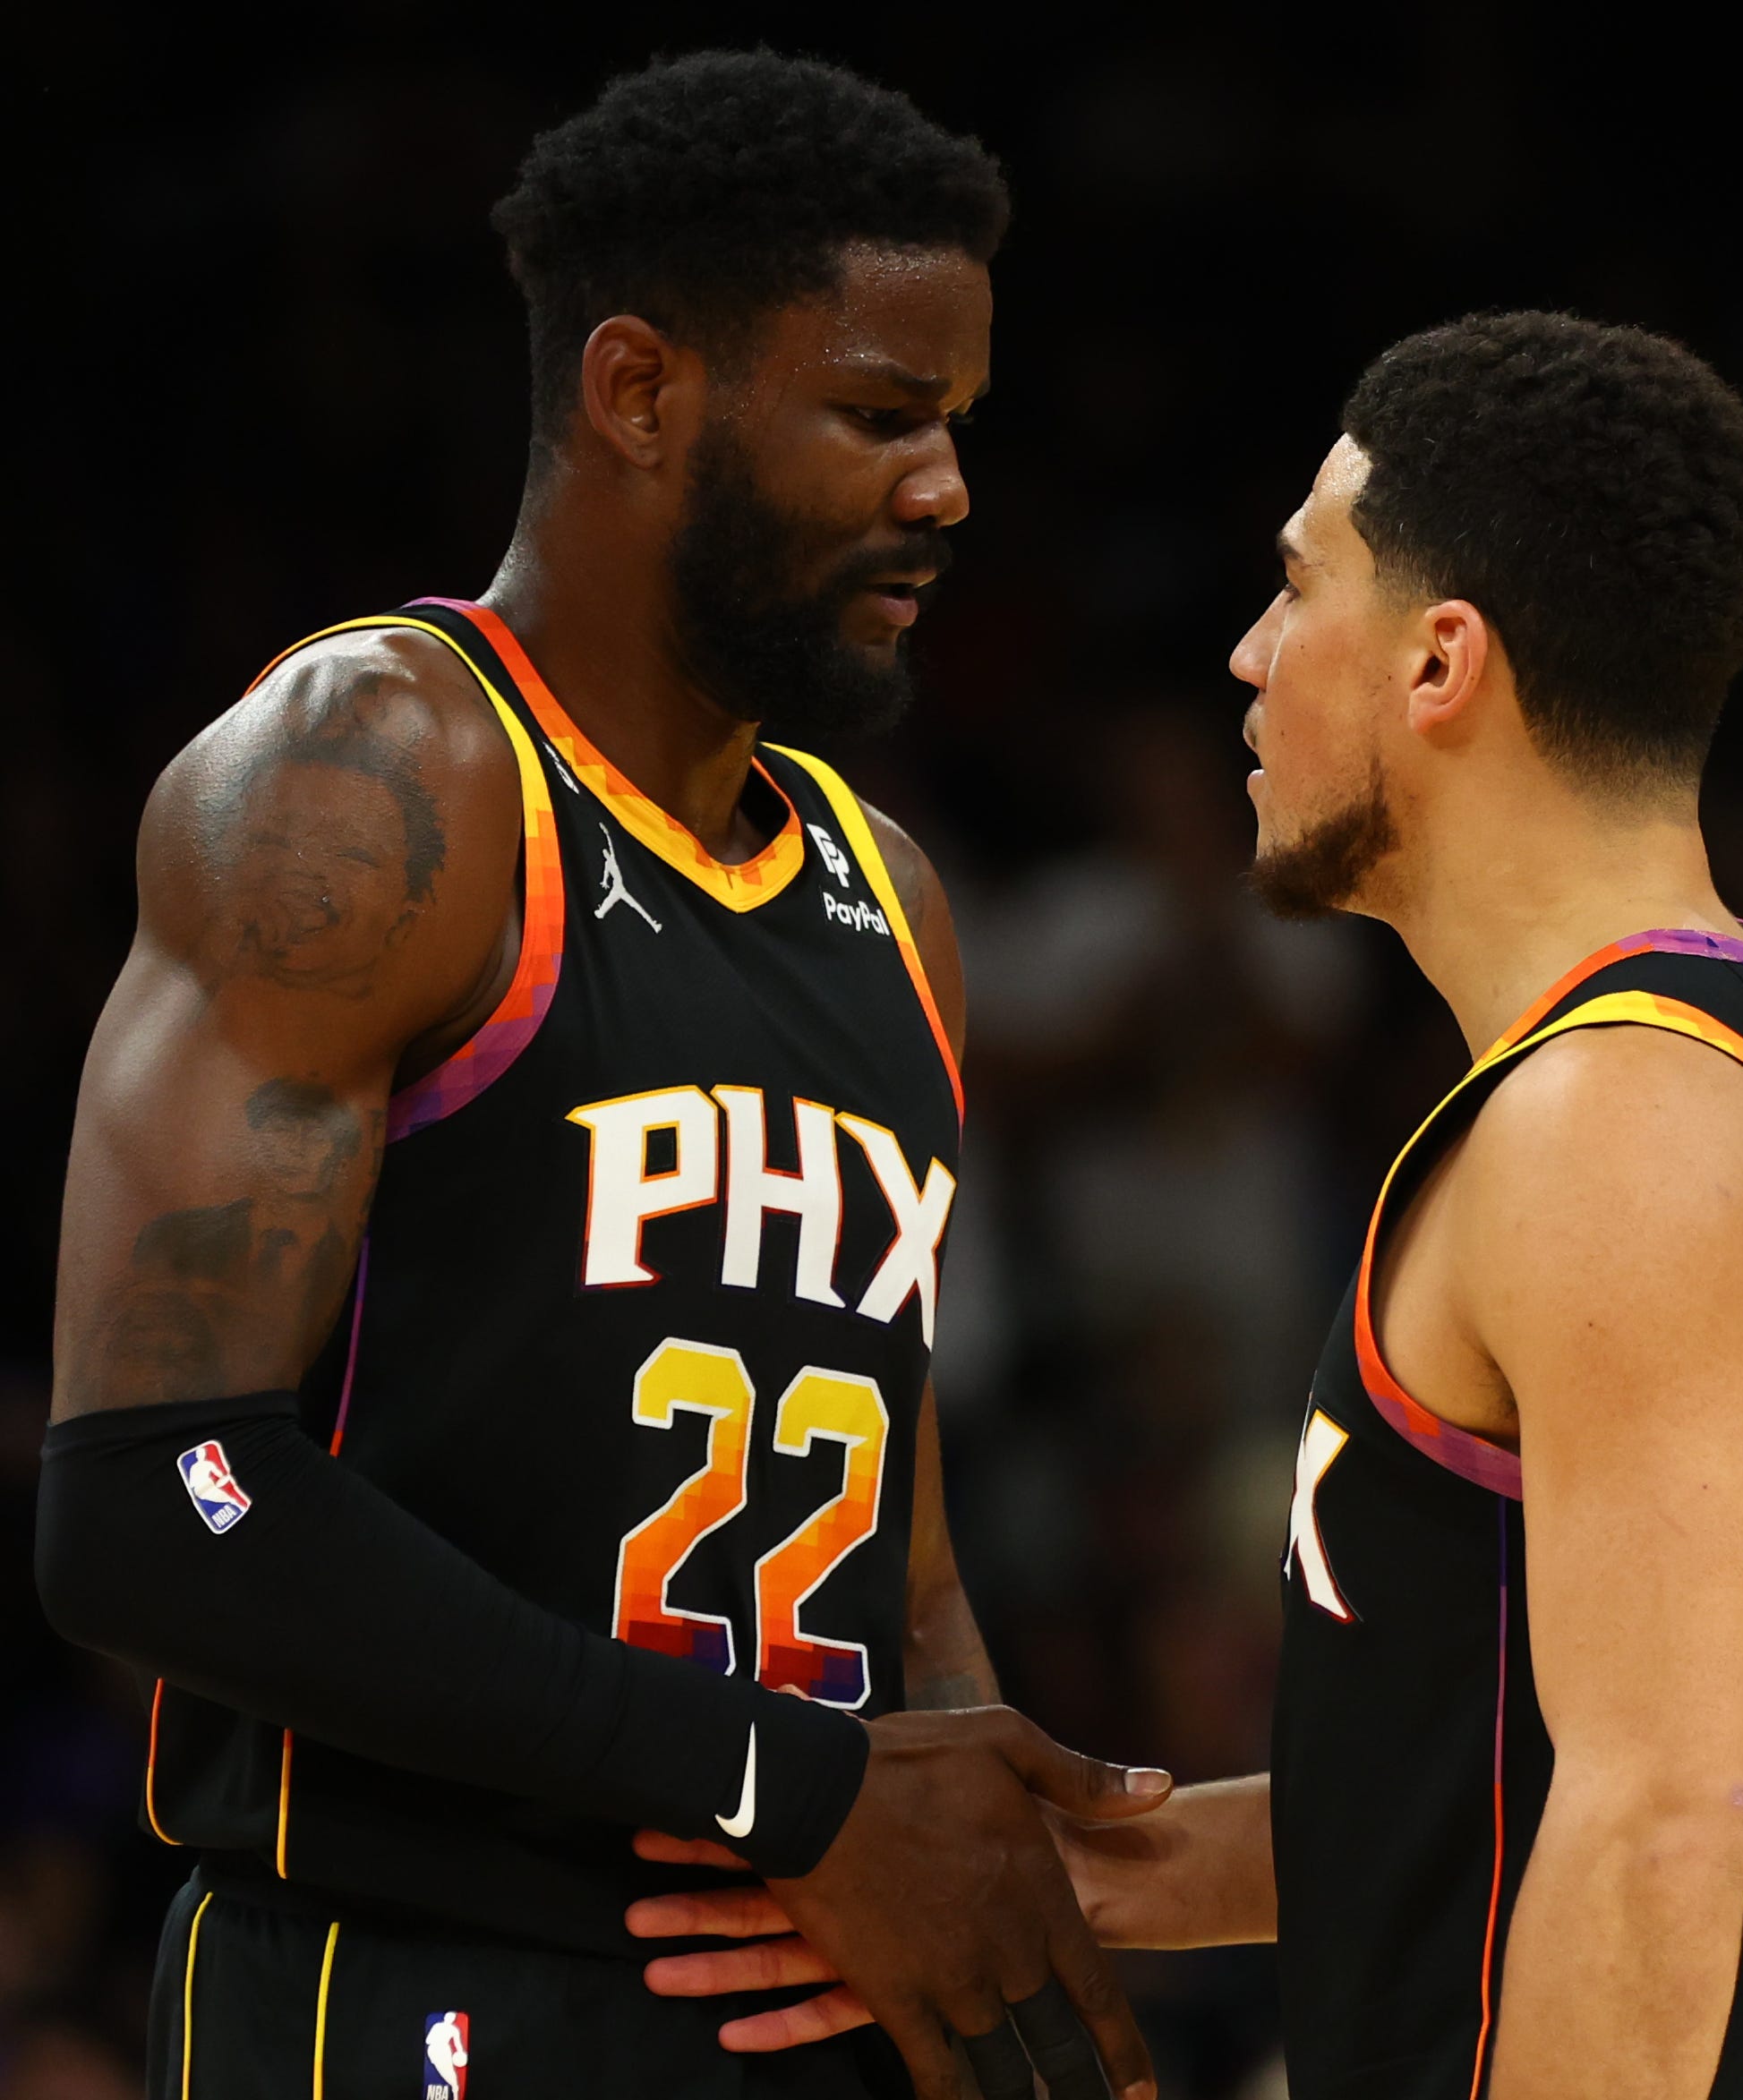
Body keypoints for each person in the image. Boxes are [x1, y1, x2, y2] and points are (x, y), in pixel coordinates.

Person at [633, 312, 1743, 2099]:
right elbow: (1515, 1779)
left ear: (1439, 663)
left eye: (1296, 589)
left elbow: (1659, 1830)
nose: (1249, 657)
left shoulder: (1618, 1123)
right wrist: (1079, 1869)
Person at [36, 50, 1169, 2100]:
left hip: (798, 1990)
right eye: (881, 417)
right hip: (414, 1982)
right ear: (642, 394)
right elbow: (150, 1507)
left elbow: (890, 1558)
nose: (949, 492)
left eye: (961, 426)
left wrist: (995, 1972)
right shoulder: (376, 781)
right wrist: (779, 1789)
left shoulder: (888, 901)